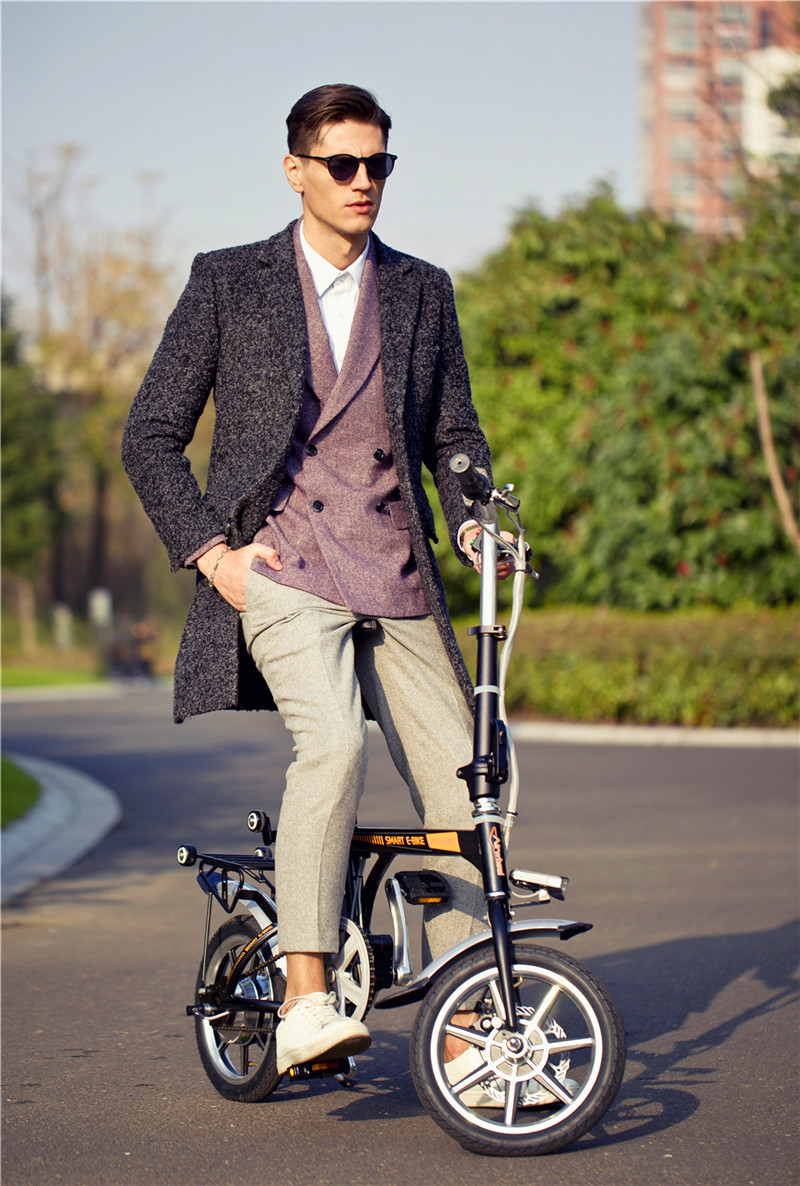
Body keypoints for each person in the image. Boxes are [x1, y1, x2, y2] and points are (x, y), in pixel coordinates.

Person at [122, 83, 510, 1077]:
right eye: (342, 164)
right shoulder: (228, 281)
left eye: (378, 163)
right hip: (285, 567)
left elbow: (453, 433)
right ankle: (304, 999)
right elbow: (150, 435)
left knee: (470, 785)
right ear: (295, 170)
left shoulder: (421, 290)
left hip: (394, 570)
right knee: (332, 746)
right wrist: (212, 553)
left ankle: (467, 1017)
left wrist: (471, 517)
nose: (362, 180)